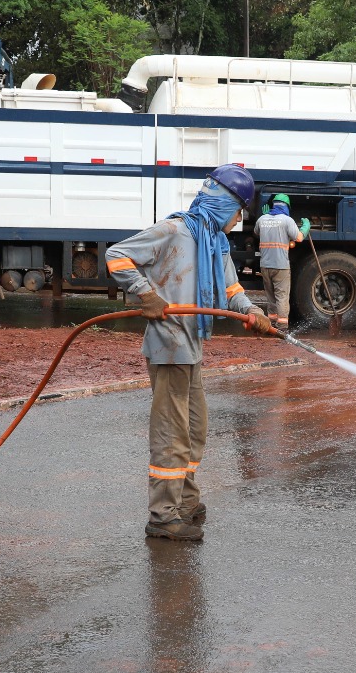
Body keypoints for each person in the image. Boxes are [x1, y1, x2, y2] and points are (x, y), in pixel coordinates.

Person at [106, 165, 279, 542]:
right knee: (172, 434)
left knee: (196, 429)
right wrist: (145, 292)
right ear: (223, 205)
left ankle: (185, 501)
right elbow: (117, 255)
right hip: (169, 346)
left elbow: (231, 286)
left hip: (191, 347)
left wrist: (252, 310)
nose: (237, 222)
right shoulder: (174, 231)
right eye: (237, 213)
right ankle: (163, 516)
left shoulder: (213, 242)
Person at [256, 193, 310, 327]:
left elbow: (257, 233)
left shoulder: (261, 219)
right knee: (282, 296)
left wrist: (267, 219)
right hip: (280, 266)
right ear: (286, 206)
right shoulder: (287, 220)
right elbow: (298, 238)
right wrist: (305, 227)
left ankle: (271, 324)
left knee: (271, 296)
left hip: (265, 265)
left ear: (273, 205)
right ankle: (282, 326)